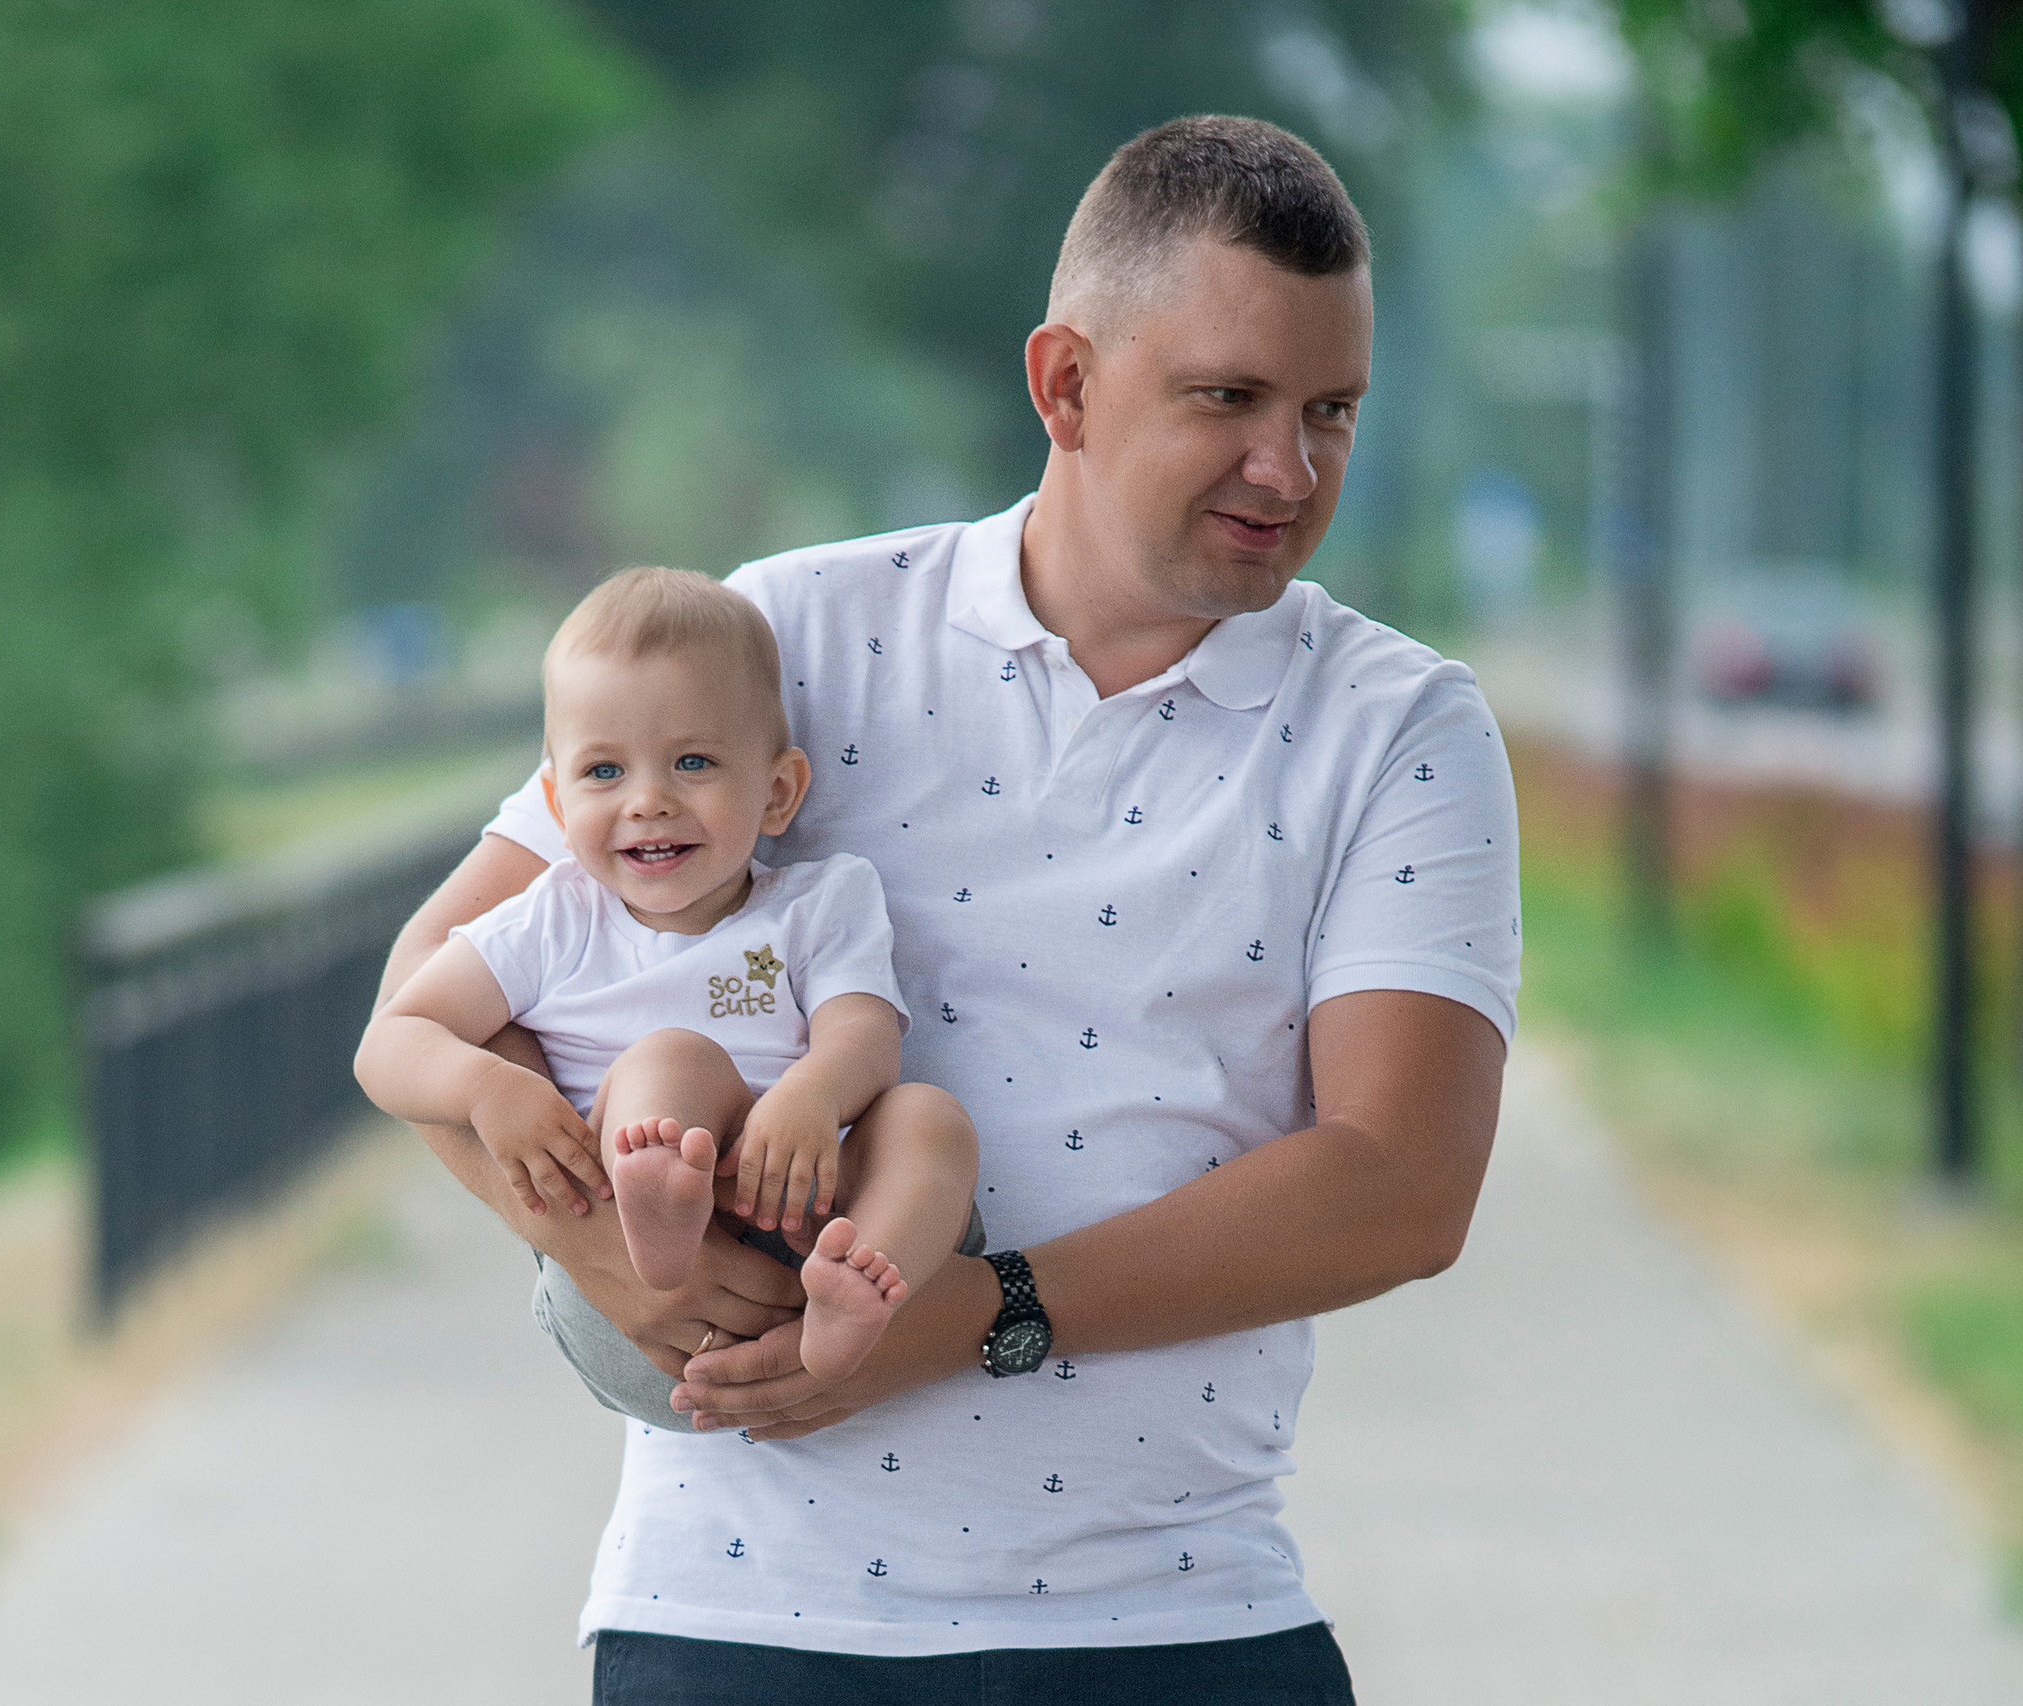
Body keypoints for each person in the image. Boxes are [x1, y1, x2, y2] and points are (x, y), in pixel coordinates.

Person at [376, 115, 1516, 1704]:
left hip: (1179, 1624)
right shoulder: (792, 635)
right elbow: (436, 990)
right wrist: (596, 1245)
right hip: (744, 1616)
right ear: (1063, 384)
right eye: (1228, 400)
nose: (1292, 467)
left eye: (1331, 409)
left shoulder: (1400, 725)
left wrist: (987, 1313)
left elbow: (1400, 1184)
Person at [356, 567, 980, 1410]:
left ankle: (859, 1288)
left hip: (810, 1221)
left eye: (692, 762)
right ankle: (665, 1203)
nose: (648, 801)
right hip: (638, 1298)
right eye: (604, 772)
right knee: (672, 1060)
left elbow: (864, 1032)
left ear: (778, 791)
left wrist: (810, 1094)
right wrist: (487, 1088)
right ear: (554, 798)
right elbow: (389, 1043)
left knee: (928, 1119)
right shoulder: (555, 919)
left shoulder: (820, 900)